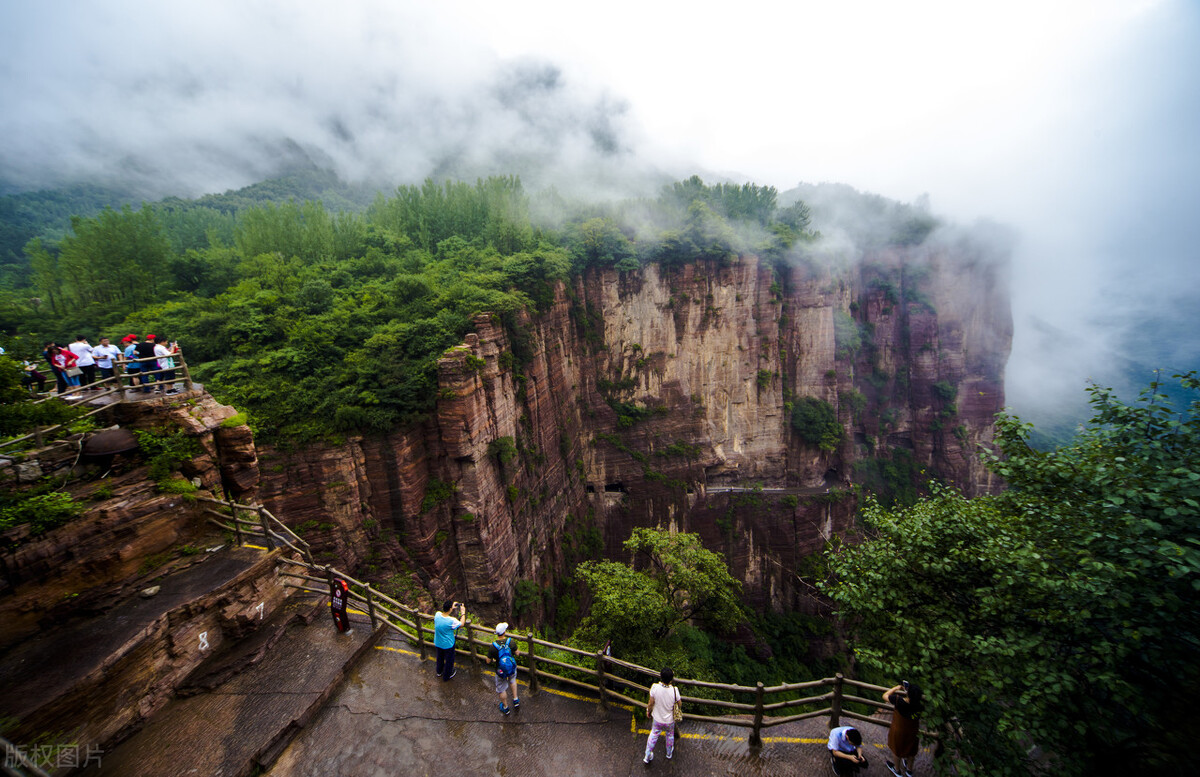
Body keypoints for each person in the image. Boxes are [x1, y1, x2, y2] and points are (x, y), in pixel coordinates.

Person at [883, 681, 923, 777]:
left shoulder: (898, 700)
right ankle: (909, 771)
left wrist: (896, 688)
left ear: (908, 693)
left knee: (897, 750)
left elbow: (885, 696)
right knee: (911, 750)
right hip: (913, 731)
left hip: (899, 731)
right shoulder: (920, 706)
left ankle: (897, 770)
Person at [643, 666, 681, 765]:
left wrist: (648, 711)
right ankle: (669, 753)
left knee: (653, 735)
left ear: (661, 677)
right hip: (669, 720)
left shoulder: (655, 687)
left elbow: (651, 703)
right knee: (670, 735)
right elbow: (679, 704)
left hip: (657, 719)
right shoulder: (674, 690)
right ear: (671, 679)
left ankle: (647, 755)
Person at [487, 622, 520, 715]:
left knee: (501, 689)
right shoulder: (511, 642)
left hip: (500, 670)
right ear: (504, 632)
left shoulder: (493, 646)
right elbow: (517, 653)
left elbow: (487, 661)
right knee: (512, 680)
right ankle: (515, 699)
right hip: (511, 667)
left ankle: (506, 707)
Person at [433, 600, 466, 681]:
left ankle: (439, 672)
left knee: (439, 657)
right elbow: (462, 624)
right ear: (450, 609)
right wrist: (463, 613)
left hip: (438, 642)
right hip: (448, 644)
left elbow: (443, 614)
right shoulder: (452, 621)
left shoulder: (437, 615)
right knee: (449, 660)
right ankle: (447, 676)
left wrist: (451, 606)